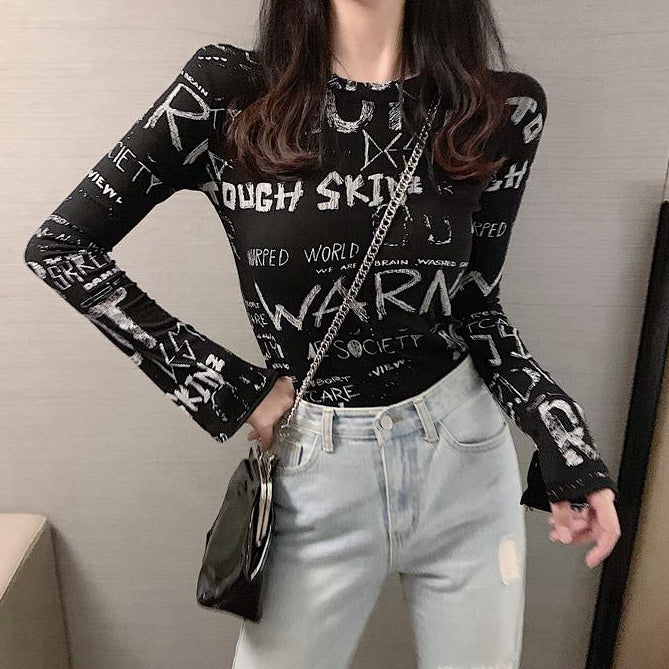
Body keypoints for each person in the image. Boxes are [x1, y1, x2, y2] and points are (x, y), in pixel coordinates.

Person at [24, 1, 621, 667]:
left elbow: (477, 309)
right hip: (316, 466)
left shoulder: (499, 111)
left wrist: (567, 440)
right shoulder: (226, 93)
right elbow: (61, 247)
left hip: (463, 459)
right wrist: (226, 389)